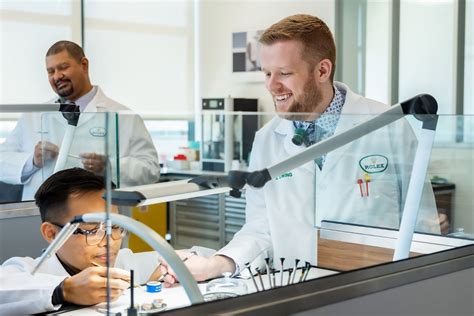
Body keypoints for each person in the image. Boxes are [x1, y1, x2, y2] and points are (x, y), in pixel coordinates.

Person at [160, 14, 445, 284]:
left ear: (322, 70)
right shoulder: (267, 139)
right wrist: (216, 264)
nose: (272, 86)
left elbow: (423, 224)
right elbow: (261, 227)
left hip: (378, 291)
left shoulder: (388, 124)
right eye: (267, 73)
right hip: (299, 291)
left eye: (284, 73)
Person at [0, 40, 160, 201]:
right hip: (39, 216)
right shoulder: (33, 116)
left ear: (84, 65)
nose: (57, 76)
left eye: (63, 67)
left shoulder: (124, 117)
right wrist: (32, 161)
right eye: (51, 71)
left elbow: (151, 170)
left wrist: (110, 167)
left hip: (98, 216)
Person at [0, 168, 162, 314]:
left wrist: (179, 266)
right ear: (52, 234)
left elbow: (179, 259)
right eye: (91, 230)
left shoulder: (124, 261)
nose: (109, 242)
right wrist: (65, 290)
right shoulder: (28, 271)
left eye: (114, 227)